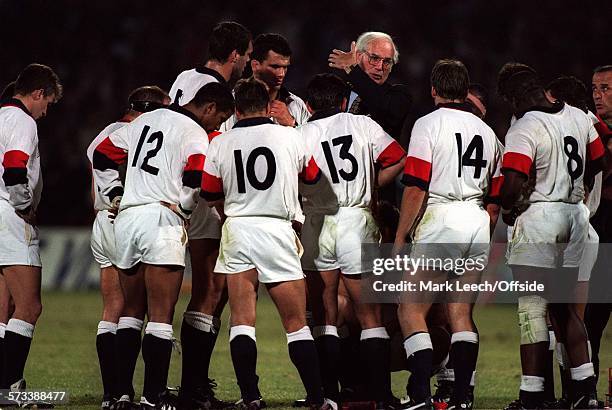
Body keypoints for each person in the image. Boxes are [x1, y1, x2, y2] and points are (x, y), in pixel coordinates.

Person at [92, 82, 235, 409]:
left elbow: (102, 154)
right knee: (160, 315)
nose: (216, 126)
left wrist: (113, 191)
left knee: (130, 312)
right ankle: (153, 394)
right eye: (219, 118)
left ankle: (122, 393)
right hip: (160, 219)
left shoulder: (143, 120)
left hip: (127, 218)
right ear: (209, 107)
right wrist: (184, 210)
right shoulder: (194, 132)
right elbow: (195, 176)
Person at [201, 78, 329, 410]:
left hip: (239, 229)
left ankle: (251, 397)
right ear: (267, 105)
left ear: (237, 108)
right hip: (277, 229)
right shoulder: (291, 136)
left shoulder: (221, 142)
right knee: (296, 323)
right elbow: (314, 180)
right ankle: (318, 399)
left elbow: (210, 193)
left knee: (242, 319)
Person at [394, 59, 502, 410]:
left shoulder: (428, 124)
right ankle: (460, 398)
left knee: (410, 310)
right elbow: (496, 194)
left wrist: (401, 236)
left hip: (441, 217)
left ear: (434, 90)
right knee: (460, 312)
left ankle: (421, 397)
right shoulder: (489, 133)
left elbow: (415, 187)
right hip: (476, 219)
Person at [498, 64, 605, 409]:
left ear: (515, 96)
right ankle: (584, 391)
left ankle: (532, 395)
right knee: (565, 310)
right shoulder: (578, 115)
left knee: (532, 310)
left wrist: (508, 207)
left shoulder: (525, 124)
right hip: (575, 215)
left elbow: (513, 180)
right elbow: (601, 159)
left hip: (540, 217)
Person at [299, 73, 406, 407]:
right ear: (344, 100)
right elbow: (397, 156)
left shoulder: (299, 134)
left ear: (308, 105)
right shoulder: (363, 123)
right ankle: (382, 397)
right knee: (370, 316)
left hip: (318, 221)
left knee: (325, 314)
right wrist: (372, 188)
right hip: (357, 218)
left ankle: (330, 396)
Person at [168, 21, 253, 409]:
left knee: (213, 294)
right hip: (204, 193)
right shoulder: (205, 90)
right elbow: (199, 136)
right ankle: (193, 389)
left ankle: (195, 385)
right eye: (247, 56)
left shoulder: (185, 79)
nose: (247, 63)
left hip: (202, 190)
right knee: (209, 291)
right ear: (235, 54)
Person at [86, 85, 170, 410]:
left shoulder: (106, 132)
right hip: (127, 217)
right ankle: (144, 392)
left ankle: (114, 394)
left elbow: (95, 164)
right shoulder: (140, 133)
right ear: (150, 109)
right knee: (140, 309)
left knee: (112, 311)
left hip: (101, 219)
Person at [0, 64, 62, 393]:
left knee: (3, 309)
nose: (45, 112)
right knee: (29, 306)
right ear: (37, 93)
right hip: (11, 215)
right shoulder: (22, 120)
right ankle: (10, 386)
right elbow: (13, 167)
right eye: (47, 103)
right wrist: (24, 205)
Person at [585, 64, 612, 401]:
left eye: (606, 88)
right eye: (594, 88)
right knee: (589, 321)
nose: (597, 94)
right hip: (597, 234)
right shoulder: (585, 128)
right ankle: (585, 394)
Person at [328, 31, 411, 139]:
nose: (380, 67)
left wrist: (353, 68)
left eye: (387, 62)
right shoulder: (338, 91)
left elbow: (381, 106)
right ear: (358, 57)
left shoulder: (399, 96)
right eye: (374, 58)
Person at [223, 33, 310, 129]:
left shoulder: (296, 104)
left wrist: (292, 123)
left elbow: (311, 142)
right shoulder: (232, 101)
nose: (281, 74)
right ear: (255, 65)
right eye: (275, 67)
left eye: (285, 67)